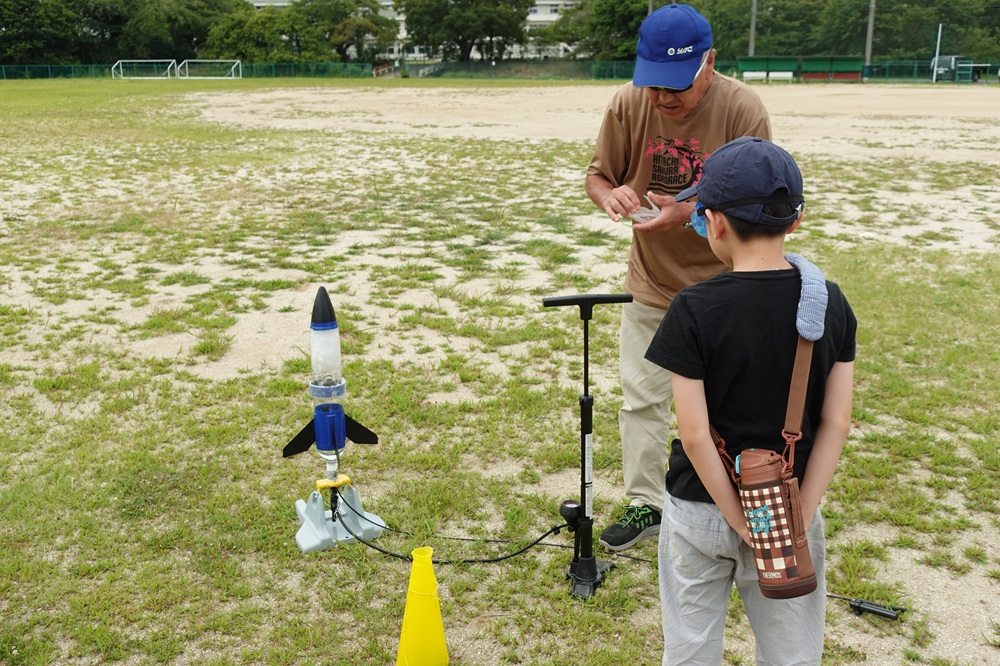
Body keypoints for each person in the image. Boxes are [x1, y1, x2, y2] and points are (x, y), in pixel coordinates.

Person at [645, 136, 856, 665]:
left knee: (691, 646)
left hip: (702, 507)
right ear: (796, 220)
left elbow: (695, 434)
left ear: (713, 222)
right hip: (792, 506)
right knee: (791, 650)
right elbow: (837, 422)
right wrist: (800, 511)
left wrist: (741, 521)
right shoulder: (830, 302)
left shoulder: (692, 308)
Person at [585, 3, 772, 551]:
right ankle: (646, 503)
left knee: (730, 402)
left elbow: (757, 204)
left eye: (678, 87)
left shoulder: (743, 109)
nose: (664, 99)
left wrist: (687, 215)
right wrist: (610, 196)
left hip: (728, 283)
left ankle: (735, 497)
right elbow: (598, 175)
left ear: (708, 64)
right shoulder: (626, 104)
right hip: (652, 280)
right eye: (654, 86)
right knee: (642, 397)